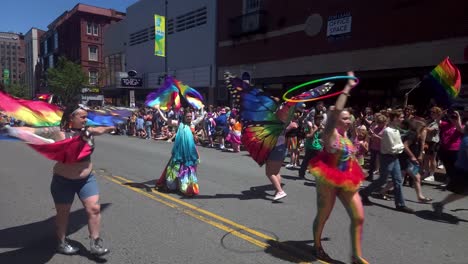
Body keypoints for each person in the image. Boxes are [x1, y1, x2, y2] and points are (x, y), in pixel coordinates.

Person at [16, 103, 114, 256]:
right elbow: (32, 131)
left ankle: (95, 243)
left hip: (86, 180)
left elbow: (99, 129)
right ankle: (61, 242)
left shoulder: (87, 132)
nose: (85, 120)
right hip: (63, 181)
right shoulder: (57, 132)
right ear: (71, 117)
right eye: (82, 117)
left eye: (86, 117)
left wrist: (109, 128)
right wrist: (10, 130)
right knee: (63, 214)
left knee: (94, 209)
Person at [308, 72, 368, 264]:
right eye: (344, 118)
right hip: (328, 178)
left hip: (347, 178)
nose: (348, 121)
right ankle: (317, 246)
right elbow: (335, 113)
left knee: (358, 217)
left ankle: (356, 256)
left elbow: (349, 156)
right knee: (324, 215)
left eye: (349, 118)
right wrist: (348, 87)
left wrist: (359, 163)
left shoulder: (347, 137)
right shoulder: (329, 132)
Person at [359, 110, 415, 214]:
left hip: (395, 158)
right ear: (395, 118)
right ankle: (364, 192)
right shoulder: (388, 131)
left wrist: (399, 146)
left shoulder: (396, 131)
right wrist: (401, 146)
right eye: (401, 117)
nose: (403, 119)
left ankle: (400, 204)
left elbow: (397, 146)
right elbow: (393, 148)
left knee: (398, 180)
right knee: (382, 180)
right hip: (387, 157)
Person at [155, 105, 205, 196]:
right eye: (187, 116)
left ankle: (185, 185)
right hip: (178, 153)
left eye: (190, 116)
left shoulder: (193, 124)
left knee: (186, 177)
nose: (189, 118)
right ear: (184, 117)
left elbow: (202, 117)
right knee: (171, 180)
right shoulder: (178, 123)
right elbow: (166, 120)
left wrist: (201, 107)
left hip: (189, 153)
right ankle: (173, 185)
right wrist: (158, 109)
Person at [433, 121, 468, 216]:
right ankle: (439, 204)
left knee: (462, 193)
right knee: (461, 192)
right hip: (464, 171)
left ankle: (440, 204)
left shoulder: (465, 137)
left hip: (463, 169)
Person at [298, 113, 324, 178]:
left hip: (317, 147)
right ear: (315, 119)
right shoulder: (310, 126)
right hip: (310, 146)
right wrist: (315, 130)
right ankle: (301, 173)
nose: (320, 121)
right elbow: (308, 136)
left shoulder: (321, 127)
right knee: (306, 161)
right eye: (319, 119)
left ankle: (317, 177)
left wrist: (322, 131)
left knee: (318, 162)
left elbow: (320, 137)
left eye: (321, 119)